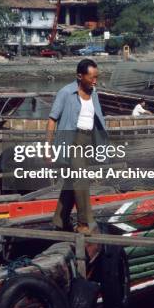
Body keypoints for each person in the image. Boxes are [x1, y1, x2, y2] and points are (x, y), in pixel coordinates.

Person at [46, 58, 108, 234]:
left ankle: (60, 219)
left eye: (97, 77)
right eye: (92, 77)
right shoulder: (66, 93)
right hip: (71, 141)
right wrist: (47, 148)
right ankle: (84, 224)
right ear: (80, 76)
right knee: (81, 179)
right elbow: (52, 120)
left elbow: (96, 119)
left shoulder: (94, 92)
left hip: (88, 141)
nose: (95, 81)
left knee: (71, 181)